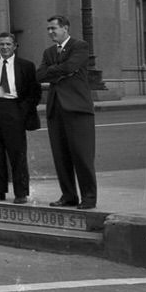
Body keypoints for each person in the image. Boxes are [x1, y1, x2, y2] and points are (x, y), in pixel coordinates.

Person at [35, 12, 97, 208]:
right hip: (56, 109)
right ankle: (68, 196)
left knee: (82, 155)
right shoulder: (48, 52)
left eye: (53, 28)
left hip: (78, 108)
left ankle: (88, 197)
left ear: (65, 28)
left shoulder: (79, 46)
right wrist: (61, 72)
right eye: (48, 29)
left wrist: (56, 71)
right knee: (61, 156)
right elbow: (40, 75)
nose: (50, 32)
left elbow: (71, 65)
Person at [0, 32, 40, 202]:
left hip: (14, 110)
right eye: (1, 44)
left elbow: (34, 93)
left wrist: (22, 111)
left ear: (15, 46)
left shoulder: (26, 66)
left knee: (17, 154)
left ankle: (20, 193)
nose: (4, 47)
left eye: (8, 44)